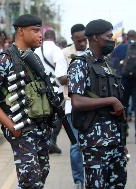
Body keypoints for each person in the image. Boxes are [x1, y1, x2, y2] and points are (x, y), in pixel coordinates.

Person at [0, 14, 52, 188]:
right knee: (30, 180)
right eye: (35, 31)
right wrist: (10, 125)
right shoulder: (3, 60)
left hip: (41, 127)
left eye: (40, 30)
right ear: (21, 31)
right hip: (22, 128)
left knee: (42, 173)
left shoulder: (33, 58)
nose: (40, 35)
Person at [68, 19, 128, 188]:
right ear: (95, 38)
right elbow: (77, 101)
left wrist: (122, 144)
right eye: (108, 36)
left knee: (118, 184)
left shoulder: (107, 64)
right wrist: (111, 100)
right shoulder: (80, 64)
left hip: (115, 140)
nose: (112, 40)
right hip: (95, 142)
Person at [62, 24, 87, 189]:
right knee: (76, 145)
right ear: (72, 39)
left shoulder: (92, 52)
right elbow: (61, 78)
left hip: (92, 105)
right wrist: (77, 72)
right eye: (79, 41)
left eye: (85, 40)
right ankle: (78, 181)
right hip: (72, 105)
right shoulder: (65, 53)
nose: (83, 44)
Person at [111, 30, 136, 144]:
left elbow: (114, 64)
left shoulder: (120, 48)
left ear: (127, 37)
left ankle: (123, 132)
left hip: (124, 80)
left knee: (123, 106)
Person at [35, 29, 66, 154]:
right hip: (55, 89)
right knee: (58, 116)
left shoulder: (37, 50)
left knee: (41, 115)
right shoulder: (57, 50)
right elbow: (61, 74)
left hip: (39, 88)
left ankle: (42, 143)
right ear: (54, 38)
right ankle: (52, 141)